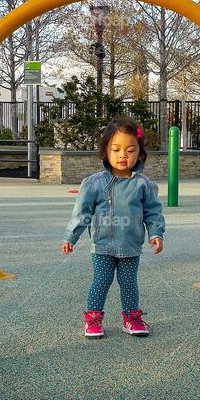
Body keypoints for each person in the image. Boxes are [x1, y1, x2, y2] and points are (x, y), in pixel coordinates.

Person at [62, 118, 165, 338]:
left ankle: (131, 317)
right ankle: (93, 318)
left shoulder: (143, 184)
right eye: (116, 149)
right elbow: (82, 213)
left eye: (130, 150)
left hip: (130, 245)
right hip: (102, 245)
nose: (123, 155)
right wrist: (71, 237)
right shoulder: (94, 183)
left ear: (139, 152)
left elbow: (153, 212)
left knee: (129, 283)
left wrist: (156, 233)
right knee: (101, 281)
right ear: (106, 151)